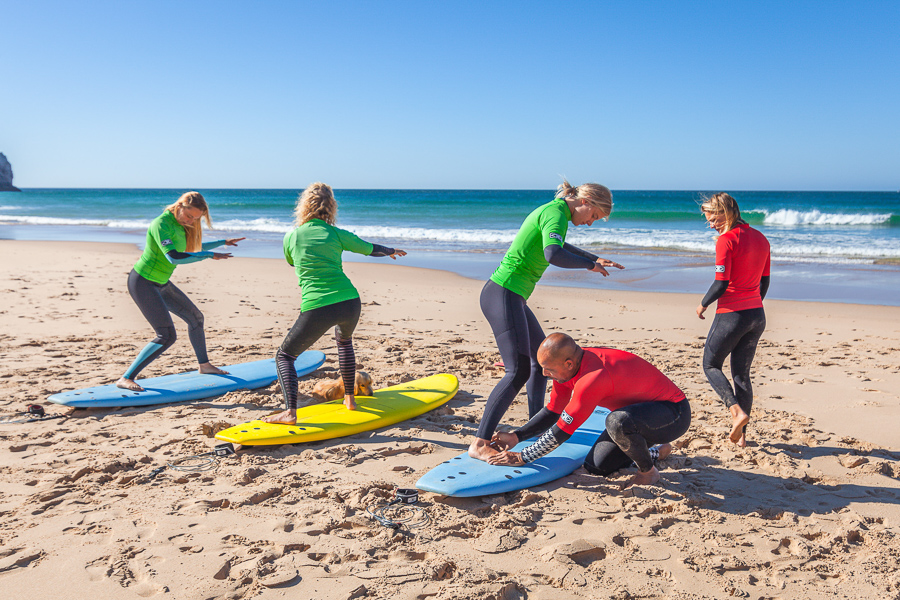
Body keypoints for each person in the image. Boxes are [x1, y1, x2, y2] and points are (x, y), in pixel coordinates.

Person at [469, 181, 624, 461]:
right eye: (594, 217)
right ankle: (479, 443)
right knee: (517, 372)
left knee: (540, 362)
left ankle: (534, 427)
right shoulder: (555, 213)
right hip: (504, 292)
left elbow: (558, 244)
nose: (590, 223)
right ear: (586, 201)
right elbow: (553, 254)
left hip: (512, 295)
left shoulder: (559, 214)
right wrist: (589, 265)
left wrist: (593, 257)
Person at [263, 182, 406, 424]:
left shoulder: (292, 236)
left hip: (318, 305)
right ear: (331, 207)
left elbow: (291, 261)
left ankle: (290, 413)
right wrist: (390, 250)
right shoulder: (337, 234)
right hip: (349, 302)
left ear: (303, 206)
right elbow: (369, 249)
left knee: (285, 356)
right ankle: (349, 399)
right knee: (344, 343)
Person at [488, 333, 691, 488]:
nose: (544, 374)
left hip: (673, 414)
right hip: (634, 417)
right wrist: (517, 436)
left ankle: (648, 472)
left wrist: (524, 456)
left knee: (616, 422)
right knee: (598, 466)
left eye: (548, 369)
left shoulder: (592, 377)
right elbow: (553, 410)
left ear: (568, 363)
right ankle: (655, 453)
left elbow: (563, 430)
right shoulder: (567, 368)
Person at [117, 192, 243, 392]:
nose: (191, 221)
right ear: (180, 206)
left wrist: (222, 242)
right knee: (166, 335)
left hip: (161, 282)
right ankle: (126, 377)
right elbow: (174, 257)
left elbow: (190, 248)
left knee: (196, 318)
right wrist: (209, 255)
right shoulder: (162, 224)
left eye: (195, 218)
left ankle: (204, 366)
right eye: (189, 216)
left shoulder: (181, 224)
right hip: (143, 282)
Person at [696, 193, 770, 447]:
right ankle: (743, 438)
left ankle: (736, 411)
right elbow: (765, 282)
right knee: (742, 375)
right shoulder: (761, 239)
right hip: (757, 315)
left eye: (713, 218)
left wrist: (703, 303)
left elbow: (721, 283)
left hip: (732, 314)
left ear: (725, 212)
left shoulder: (726, 241)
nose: (711, 224)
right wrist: (752, 303)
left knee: (710, 365)